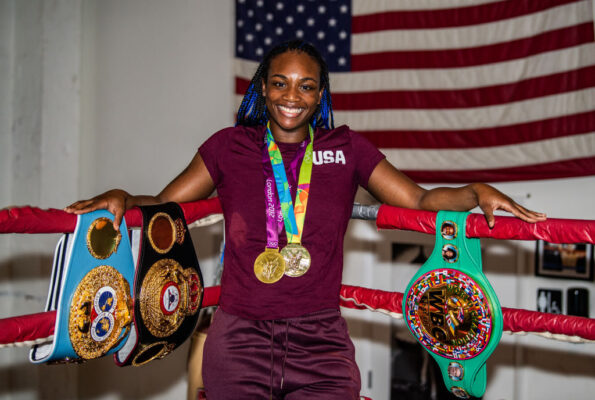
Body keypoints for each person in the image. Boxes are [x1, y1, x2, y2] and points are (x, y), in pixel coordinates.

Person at [65, 40, 546, 399]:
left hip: (320, 340)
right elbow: (168, 205)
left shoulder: (348, 148)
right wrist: (125, 197)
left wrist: (475, 192)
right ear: (263, 88)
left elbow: (419, 199)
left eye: (305, 85)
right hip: (239, 337)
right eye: (279, 83)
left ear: (319, 96)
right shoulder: (228, 148)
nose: (290, 95)